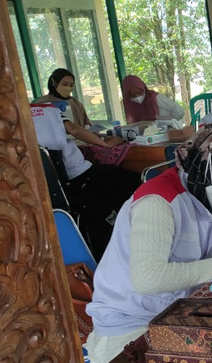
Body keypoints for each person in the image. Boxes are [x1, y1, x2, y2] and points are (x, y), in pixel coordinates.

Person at [84, 126, 212, 363]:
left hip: (178, 308)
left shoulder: (210, 189)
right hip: (134, 322)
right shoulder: (158, 202)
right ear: (208, 173)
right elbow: (147, 279)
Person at [30, 102, 141, 257]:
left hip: (53, 188)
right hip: (80, 175)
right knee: (135, 181)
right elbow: (75, 130)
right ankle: (130, 233)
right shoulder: (48, 109)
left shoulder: (12, 121)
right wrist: (105, 143)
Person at [36, 68, 124, 148]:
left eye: (71, 85)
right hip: (57, 147)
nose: (68, 88)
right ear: (54, 84)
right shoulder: (42, 104)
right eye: (64, 84)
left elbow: (86, 126)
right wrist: (105, 144)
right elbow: (74, 130)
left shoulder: (75, 103)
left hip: (81, 142)